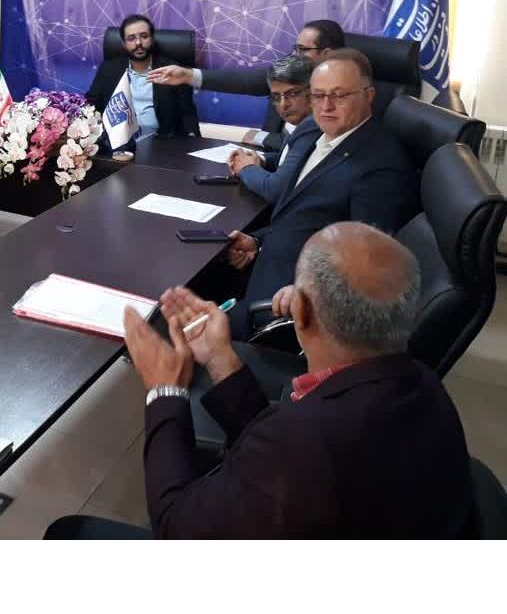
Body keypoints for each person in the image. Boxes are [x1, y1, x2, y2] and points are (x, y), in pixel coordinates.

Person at [47, 223, 476, 539]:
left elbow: (175, 528)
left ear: (300, 312)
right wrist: (220, 358)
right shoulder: (424, 385)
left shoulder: (307, 442)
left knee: (68, 534)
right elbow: (277, 438)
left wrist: (166, 390)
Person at [224, 49, 418, 336]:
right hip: (266, 272)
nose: (326, 106)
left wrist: (306, 291)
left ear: (369, 96)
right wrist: (258, 241)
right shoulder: (320, 135)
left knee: (182, 334)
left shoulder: (380, 167)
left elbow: (365, 261)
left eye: (339, 95)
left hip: (293, 310)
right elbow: (310, 216)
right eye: (318, 95)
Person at [149, 18, 344, 151]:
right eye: (295, 48)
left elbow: (309, 145)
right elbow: (247, 81)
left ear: (326, 55)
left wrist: (261, 137)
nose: (295, 55)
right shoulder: (290, 71)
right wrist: (189, 75)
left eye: (302, 50)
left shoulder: (338, 98)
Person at [85, 14, 199, 149]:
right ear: (123, 44)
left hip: (160, 146)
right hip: (117, 146)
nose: (138, 43)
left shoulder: (172, 72)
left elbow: (188, 115)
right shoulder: (109, 69)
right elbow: (91, 105)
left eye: (144, 36)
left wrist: (193, 142)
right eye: (131, 38)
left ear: (152, 39)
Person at [227, 53, 317, 203]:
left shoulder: (313, 125)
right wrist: (259, 159)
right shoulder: (301, 122)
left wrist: (246, 168)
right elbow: (289, 161)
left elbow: (275, 190)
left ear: (313, 91)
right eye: (276, 97)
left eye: (292, 94)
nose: (283, 104)